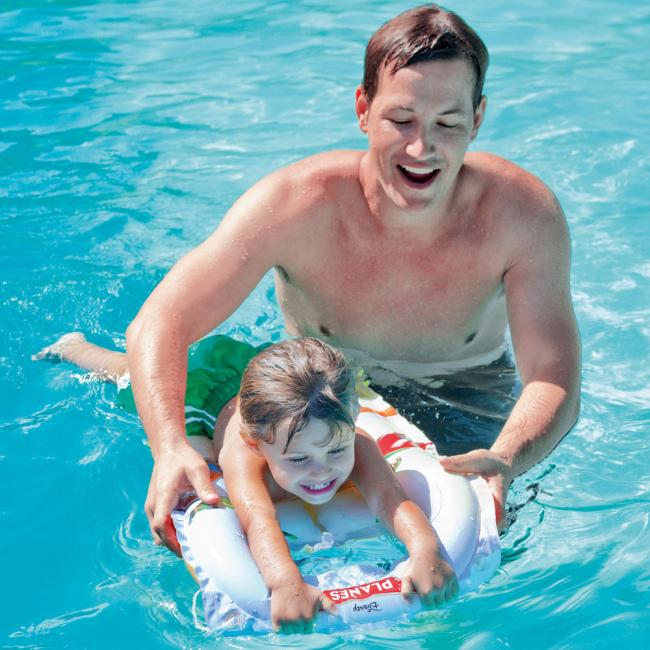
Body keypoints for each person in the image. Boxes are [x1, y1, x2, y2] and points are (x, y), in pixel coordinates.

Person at [124, 4, 581, 554]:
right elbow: (162, 321)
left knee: (489, 549)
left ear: (477, 119)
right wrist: (168, 446)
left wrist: (505, 458)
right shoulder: (295, 206)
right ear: (363, 109)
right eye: (401, 120)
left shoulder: (521, 216)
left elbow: (553, 374)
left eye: (448, 123)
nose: (422, 148)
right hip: (319, 401)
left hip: (466, 402)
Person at [34, 333, 459, 632]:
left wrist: (426, 548)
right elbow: (257, 519)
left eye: (335, 451)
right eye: (298, 459)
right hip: (203, 395)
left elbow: (389, 497)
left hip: (282, 387)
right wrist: (286, 583)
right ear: (258, 444)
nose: (322, 471)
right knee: (127, 378)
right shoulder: (245, 458)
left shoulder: (353, 442)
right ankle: (77, 349)